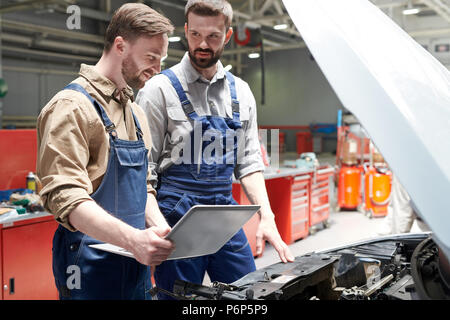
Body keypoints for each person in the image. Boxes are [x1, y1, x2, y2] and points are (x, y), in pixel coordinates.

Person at [136, 0, 294, 300]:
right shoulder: (158, 90)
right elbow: (143, 173)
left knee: (249, 293)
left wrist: (268, 218)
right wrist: (159, 227)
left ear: (229, 35)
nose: (202, 45)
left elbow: (248, 163)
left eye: (213, 37)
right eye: (195, 35)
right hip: (176, 216)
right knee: (179, 299)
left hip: (223, 211)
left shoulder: (242, 92)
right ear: (185, 30)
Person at [36, 3, 175, 300]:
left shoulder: (135, 113)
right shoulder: (71, 107)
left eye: (161, 59)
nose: (158, 69)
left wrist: (164, 231)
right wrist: (134, 240)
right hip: (89, 269)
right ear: (120, 46)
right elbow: (67, 200)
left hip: (134, 264)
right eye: (151, 57)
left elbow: (144, 188)